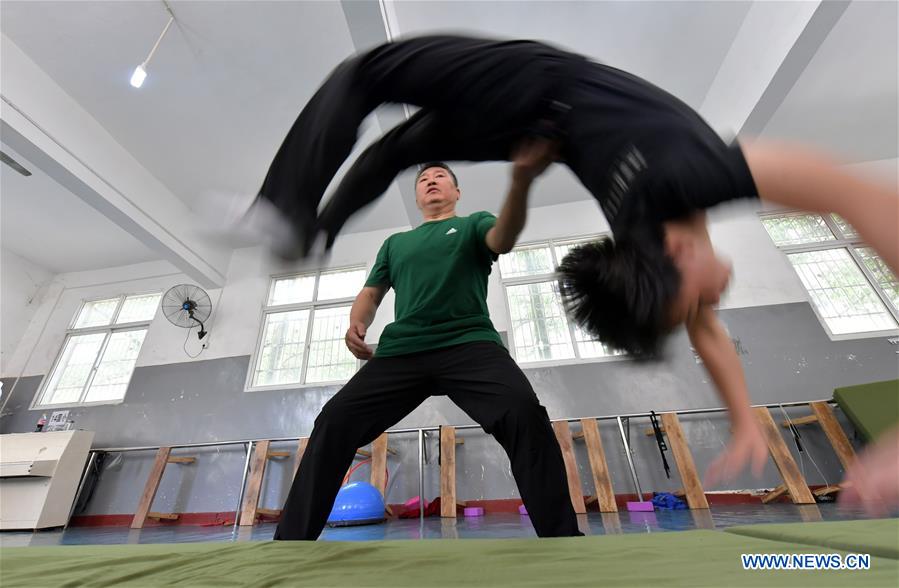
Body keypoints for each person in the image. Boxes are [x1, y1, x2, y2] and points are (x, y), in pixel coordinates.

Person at [259, 34, 899, 511]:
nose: (712, 302)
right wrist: (743, 414)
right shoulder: (689, 180)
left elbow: (702, 324)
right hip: (536, 93)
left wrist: (741, 415)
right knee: (380, 108)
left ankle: (294, 223)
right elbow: (865, 196)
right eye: (698, 302)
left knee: (387, 119)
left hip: (531, 113)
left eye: (696, 301)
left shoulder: (664, 217)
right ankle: (291, 218)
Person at [274, 150, 585, 540]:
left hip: (469, 342)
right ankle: (291, 542)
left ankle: (561, 538)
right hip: (402, 352)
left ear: (456, 192)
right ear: (418, 197)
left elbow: (502, 239)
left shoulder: (473, 223)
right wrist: (357, 322)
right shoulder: (395, 243)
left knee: (523, 412)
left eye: (440, 176)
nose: (431, 181)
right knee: (333, 421)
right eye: (424, 179)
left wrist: (520, 183)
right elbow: (371, 293)